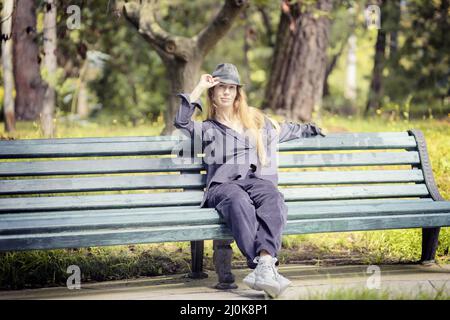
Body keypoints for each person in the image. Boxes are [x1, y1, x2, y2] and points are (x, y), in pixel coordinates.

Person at [174, 63, 326, 298]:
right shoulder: (208, 128)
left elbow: (286, 130)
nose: (226, 92)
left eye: (231, 88)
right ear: (213, 94)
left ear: (237, 93)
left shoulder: (255, 121)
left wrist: (311, 129)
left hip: (254, 182)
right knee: (239, 201)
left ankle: (265, 262)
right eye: (220, 87)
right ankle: (261, 268)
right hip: (222, 187)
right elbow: (182, 122)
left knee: (274, 197)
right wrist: (199, 87)